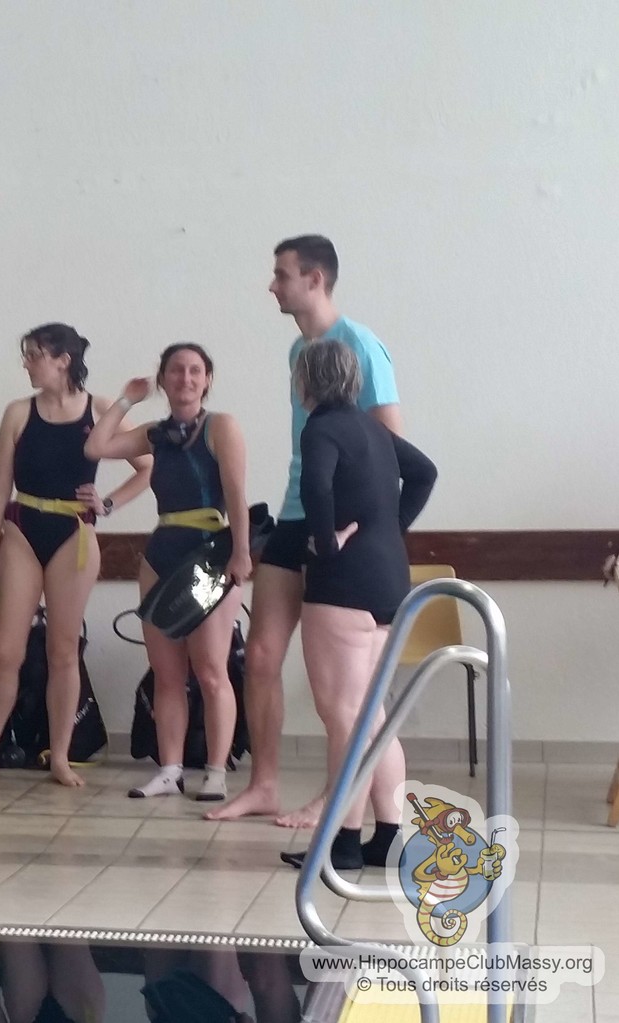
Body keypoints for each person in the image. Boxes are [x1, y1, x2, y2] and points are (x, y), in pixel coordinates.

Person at [207, 235, 405, 825]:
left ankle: (336, 802)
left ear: (314, 279)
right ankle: (264, 784)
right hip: (295, 516)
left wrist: (373, 531)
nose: (273, 286)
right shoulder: (300, 349)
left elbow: (393, 449)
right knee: (261, 654)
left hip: (342, 531)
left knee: (343, 696)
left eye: (282, 275)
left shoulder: (360, 345)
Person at [0, 324, 151, 789]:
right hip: (23, 530)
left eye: (34, 355)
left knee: (63, 651)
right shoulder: (18, 413)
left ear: (63, 360)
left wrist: (108, 503)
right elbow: (0, 486)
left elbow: (148, 466)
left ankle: (61, 757)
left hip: (73, 535)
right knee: (6, 651)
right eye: (26, 355)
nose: (27, 363)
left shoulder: (99, 409)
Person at [282, 340, 435, 870]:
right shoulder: (374, 430)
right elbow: (425, 472)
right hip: (389, 580)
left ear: (305, 382)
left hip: (343, 584)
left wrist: (325, 543)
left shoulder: (320, 429)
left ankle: (342, 840)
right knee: (373, 713)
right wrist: (390, 528)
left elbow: (316, 487)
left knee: (344, 715)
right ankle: (389, 834)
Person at [84, 344, 250, 803]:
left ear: (208, 379)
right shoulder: (155, 434)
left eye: (195, 370)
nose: (185, 378)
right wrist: (126, 399)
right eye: (176, 370)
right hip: (162, 552)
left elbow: (237, 494)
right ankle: (169, 769)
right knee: (166, 673)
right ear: (163, 379)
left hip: (209, 556)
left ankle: (215, 770)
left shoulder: (222, 427)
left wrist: (241, 553)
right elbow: (96, 447)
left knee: (211, 670)